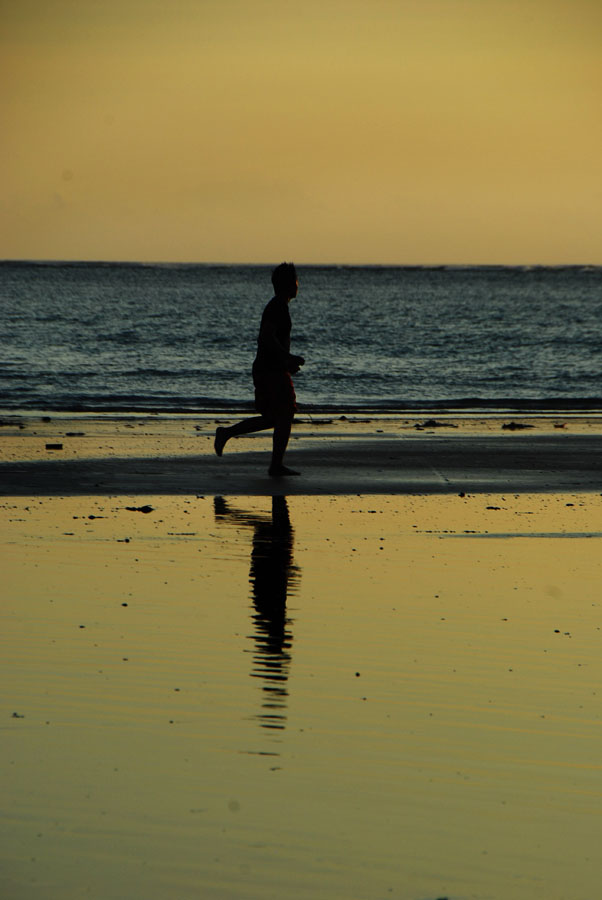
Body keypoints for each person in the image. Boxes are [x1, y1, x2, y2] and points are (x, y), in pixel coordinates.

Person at [214, 262, 305, 476]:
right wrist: (287, 357)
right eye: (295, 280)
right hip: (269, 370)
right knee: (284, 413)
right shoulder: (277, 307)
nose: (298, 284)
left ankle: (227, 433)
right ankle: (275, 465)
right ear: (288, 284)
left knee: (276, 417)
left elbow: (274, 341)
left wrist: (288, 363)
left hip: (272, 368)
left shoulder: (279, 306)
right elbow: (266, 337)